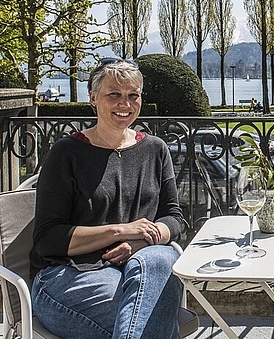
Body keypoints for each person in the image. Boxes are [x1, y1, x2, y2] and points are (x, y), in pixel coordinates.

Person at [30, 58, 186, 339]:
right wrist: (120, 231)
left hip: (140, 267)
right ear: (93, 98)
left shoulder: (155, 149)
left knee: (162, 259)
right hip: (70, 274)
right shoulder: (67, 153)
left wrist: (139, 241)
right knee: (147, 318)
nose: (124, 104)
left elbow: (173, 217)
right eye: (114, 94)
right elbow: (47, 239)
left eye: (132, 95)